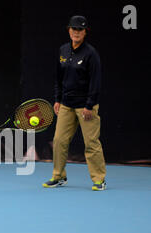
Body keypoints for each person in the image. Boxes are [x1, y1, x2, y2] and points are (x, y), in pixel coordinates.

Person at [43, 15, 106, 191]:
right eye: (73, 29)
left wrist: (89, 105)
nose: (76, 32)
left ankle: (99, 179)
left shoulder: (91, 54)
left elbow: (96, 81)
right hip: (66, 105)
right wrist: (58, 99)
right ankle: (59, 176)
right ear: (69, 30)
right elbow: (59, 78)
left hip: (86, 107)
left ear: (85, 32)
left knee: (91, 143)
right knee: (59, 141)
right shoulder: (63, 50)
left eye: (80, 30)